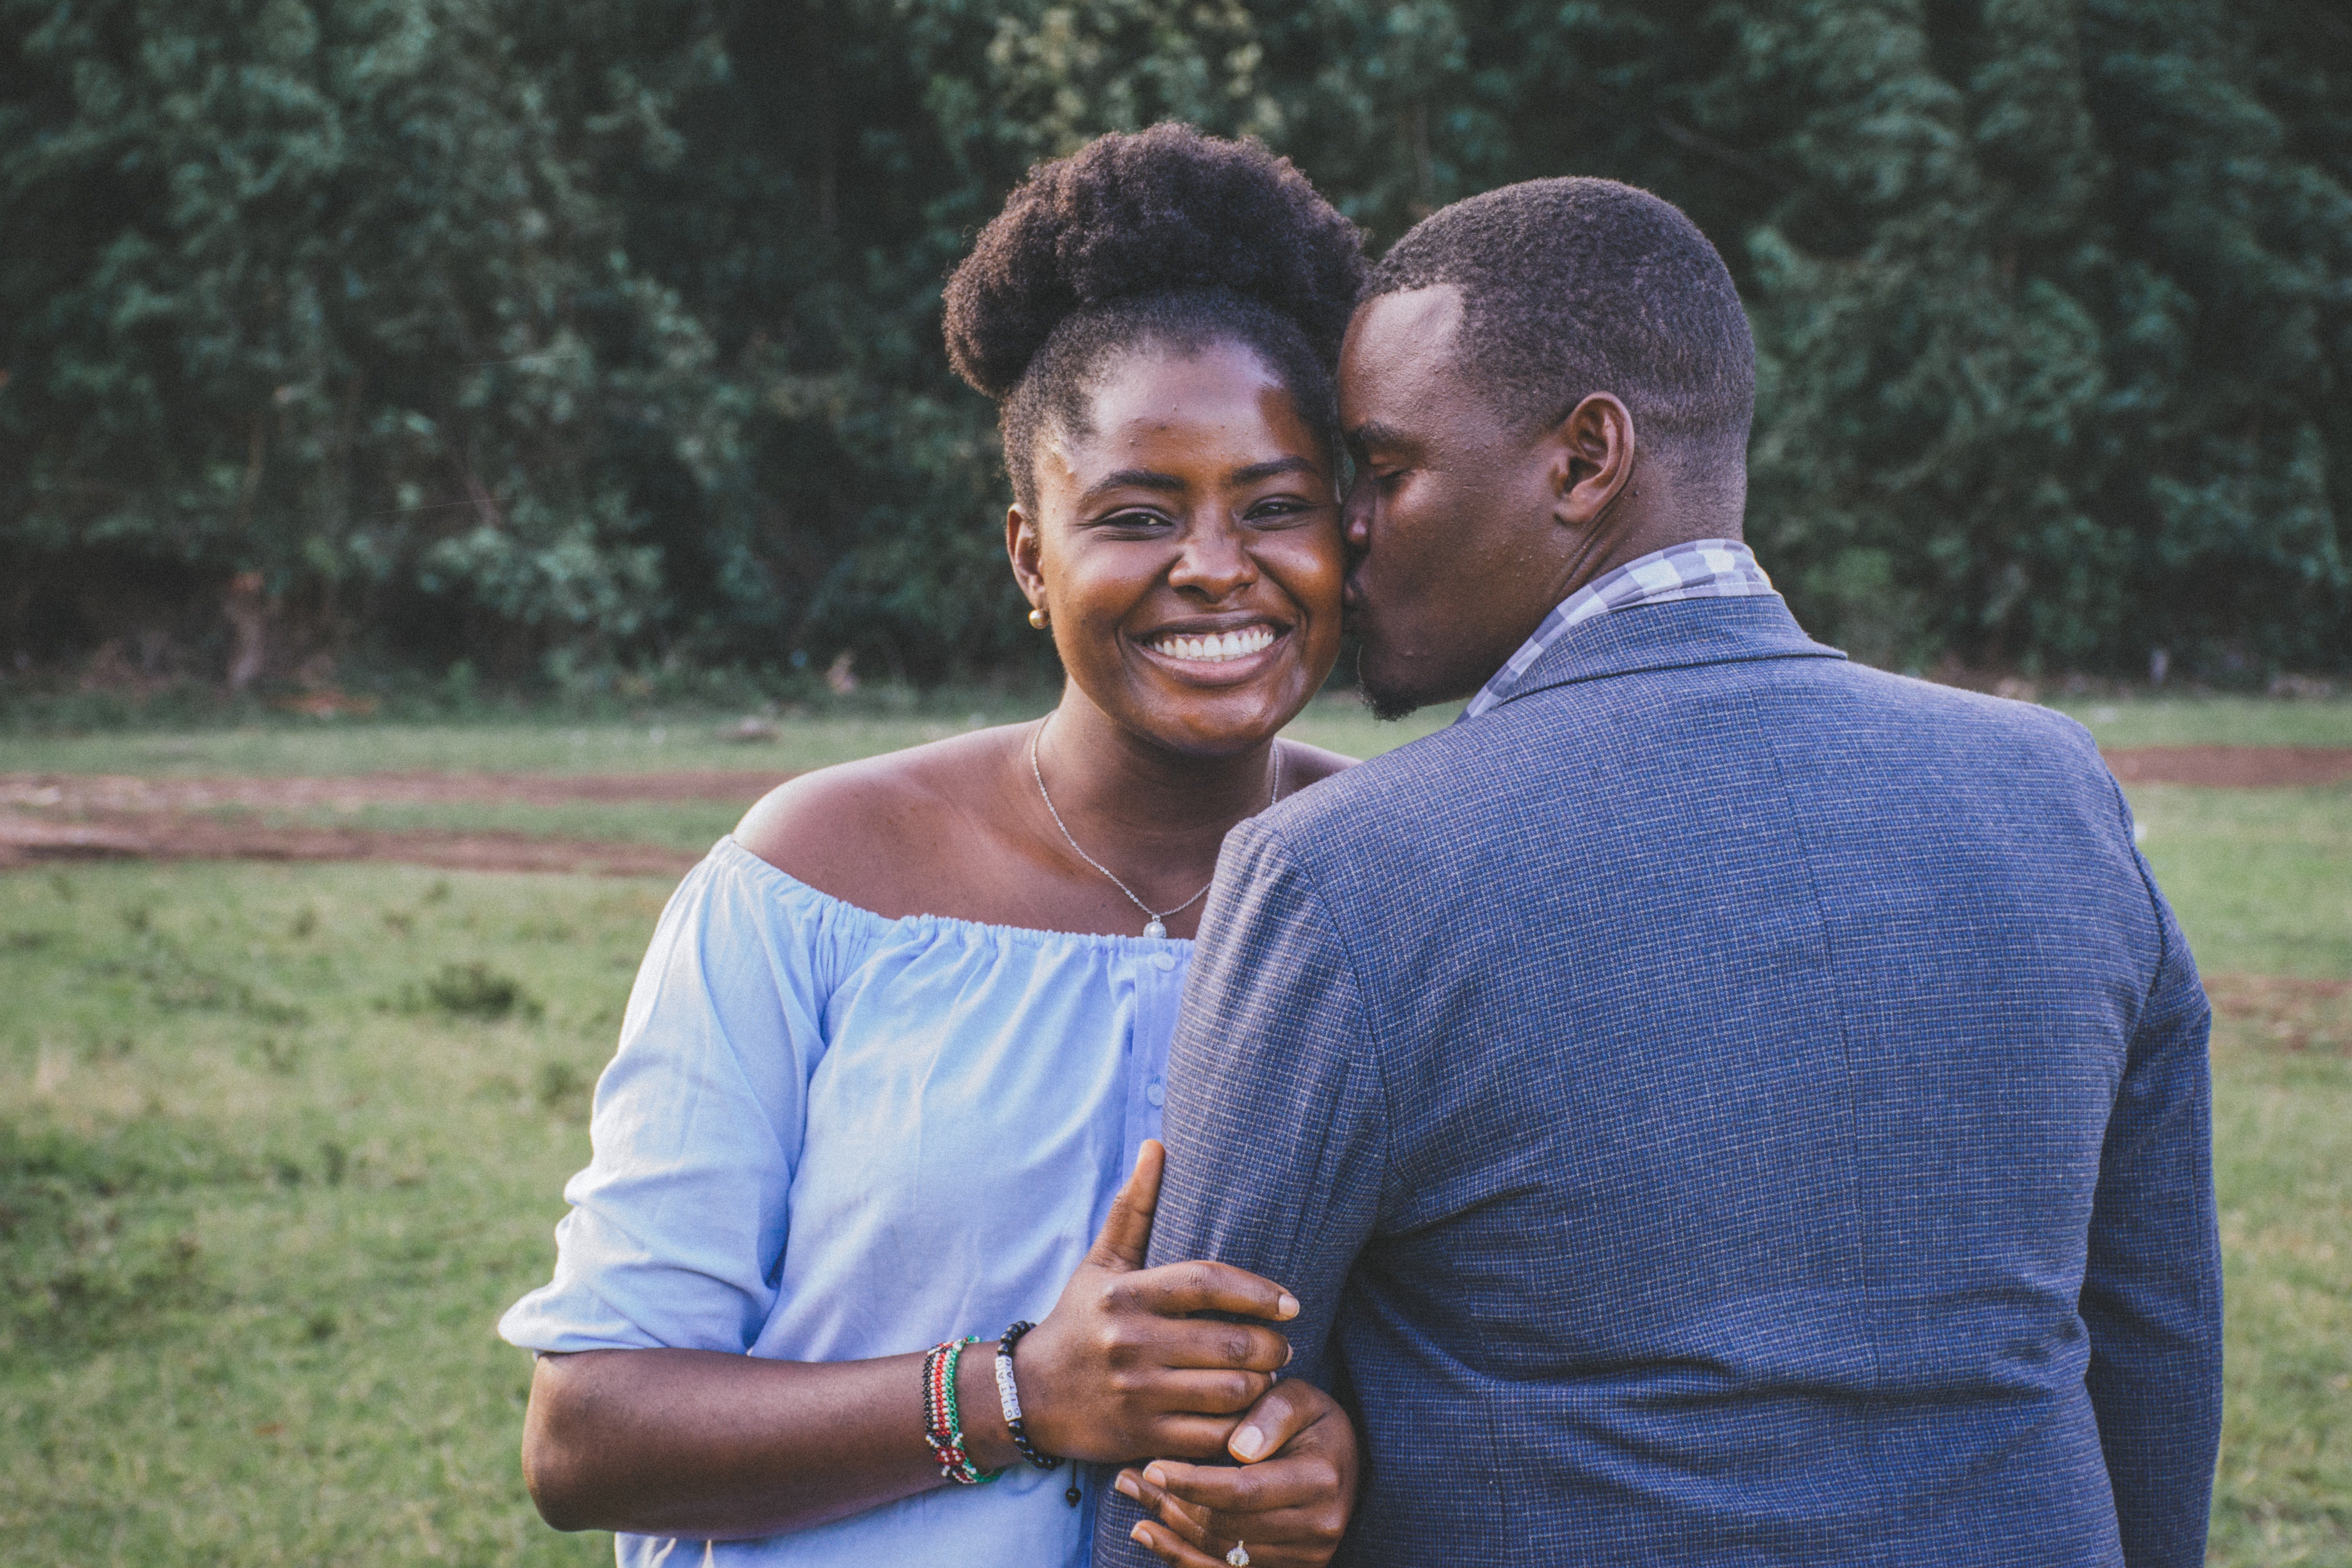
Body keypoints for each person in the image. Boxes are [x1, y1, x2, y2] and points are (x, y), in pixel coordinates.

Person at [1098, 177, 2223, 1566]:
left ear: (1587, 460)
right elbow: (2156, 1340)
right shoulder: (2054, 788)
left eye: (1384, 471)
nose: (1350, 528)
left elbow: (1196, 1441)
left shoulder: (1342, 873)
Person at [500, 124, 1368, 1568]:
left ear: (1350, 533)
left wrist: (1338, 1468)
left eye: (1277, 506)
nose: (1217, 567)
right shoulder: (819, 877)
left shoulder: (1396, 884)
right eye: (1136, 516)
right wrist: (1018, 1396)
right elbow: (588, 1436)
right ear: (1031, 555)